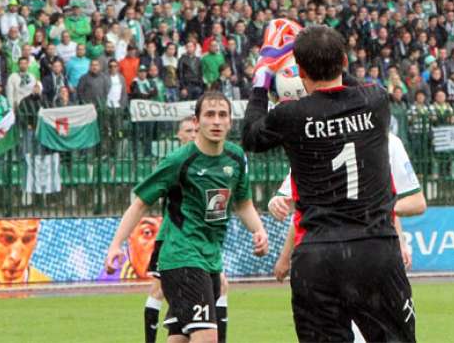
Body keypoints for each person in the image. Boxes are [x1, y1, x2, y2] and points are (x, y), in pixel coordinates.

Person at [242, 24, 415, 342]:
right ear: (344, 62)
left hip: (317, 256)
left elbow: (250, 136)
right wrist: (326, 59)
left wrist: (264, 74)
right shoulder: (375, 101)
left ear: (301, 71)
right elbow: (347, 84)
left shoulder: (291, 115)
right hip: (374, 249)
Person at [105, 92, 268, 343]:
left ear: (230, 122)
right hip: (181, 256)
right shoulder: (179, 160)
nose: (216, 121)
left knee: (180, 338)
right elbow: (140, 204)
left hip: (210, 258)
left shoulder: (236, 158)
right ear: (197, 121)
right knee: (207, 338)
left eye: (222, 115)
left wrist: (259, 230)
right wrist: (116, 244)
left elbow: (243, 203)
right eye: (209, 115)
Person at [269, 130, 426, 343]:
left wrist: (399, 239)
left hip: (373, 256)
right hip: (329, 261)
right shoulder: (314, 138)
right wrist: (285, 254)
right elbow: (297, 206)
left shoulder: (388, 142)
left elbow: (416, 202)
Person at [142, 116, 231, 343]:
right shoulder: (175, 162)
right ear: (179, 135)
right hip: (175, 241)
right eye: (188, 131)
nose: (192, 134)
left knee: (188, 316)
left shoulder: (213, 163)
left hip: (202, 243)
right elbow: (143, 200)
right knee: (159, 290)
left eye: (194, 130)